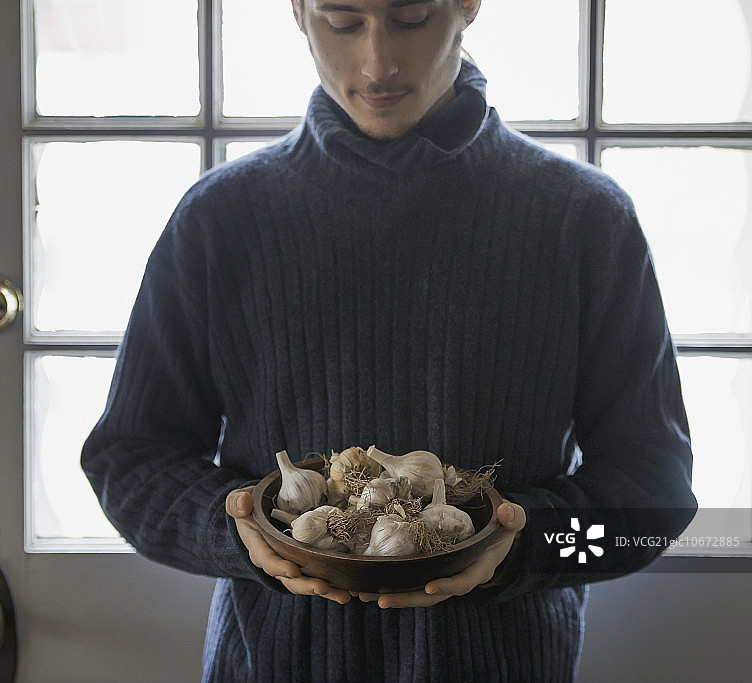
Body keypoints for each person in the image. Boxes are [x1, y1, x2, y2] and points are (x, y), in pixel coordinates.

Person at [81, 0, 697, 680]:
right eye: (342, 21)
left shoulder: (586, 223)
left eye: (410, 17)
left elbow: (656, 499)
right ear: (296, 10)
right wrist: (236, 532)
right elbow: (127, 463)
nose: (377, 62)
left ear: (467, 5)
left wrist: (521, 547)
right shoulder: (220, 220)